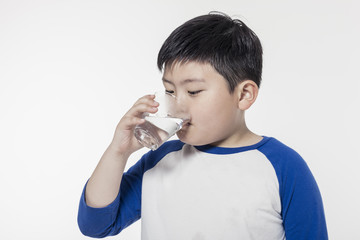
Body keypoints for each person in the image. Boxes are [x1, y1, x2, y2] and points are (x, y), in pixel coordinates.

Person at [77, 12, 328, 239]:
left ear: (243, 95)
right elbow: (96, 224)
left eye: (194, 91)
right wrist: (118, 151)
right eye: (170, 91)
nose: (177, 105)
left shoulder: (283, 166)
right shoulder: (162, 159)